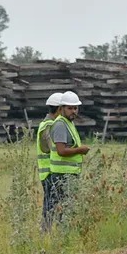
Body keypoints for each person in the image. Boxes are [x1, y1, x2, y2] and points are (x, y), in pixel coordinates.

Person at [47, 91, 91, 226]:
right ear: (61, 109)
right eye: (70, 108)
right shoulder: (61, 125)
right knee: (63, 207)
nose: (73, 111)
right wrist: (80, 150)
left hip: (69, 174)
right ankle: (59, 233)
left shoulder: (68, 123)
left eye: (75, 108)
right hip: (62, 175)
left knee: (66, 207)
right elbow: (61, 151)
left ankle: (61, 232)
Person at [37, 92, 62, 232]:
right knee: (50, 206)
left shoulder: (48, 124)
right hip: (50, 173)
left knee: (52, 205)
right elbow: (54, 148)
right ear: (59, 109)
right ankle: (45, 233)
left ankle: (48, 233)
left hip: (50, 172)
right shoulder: (50, 126)